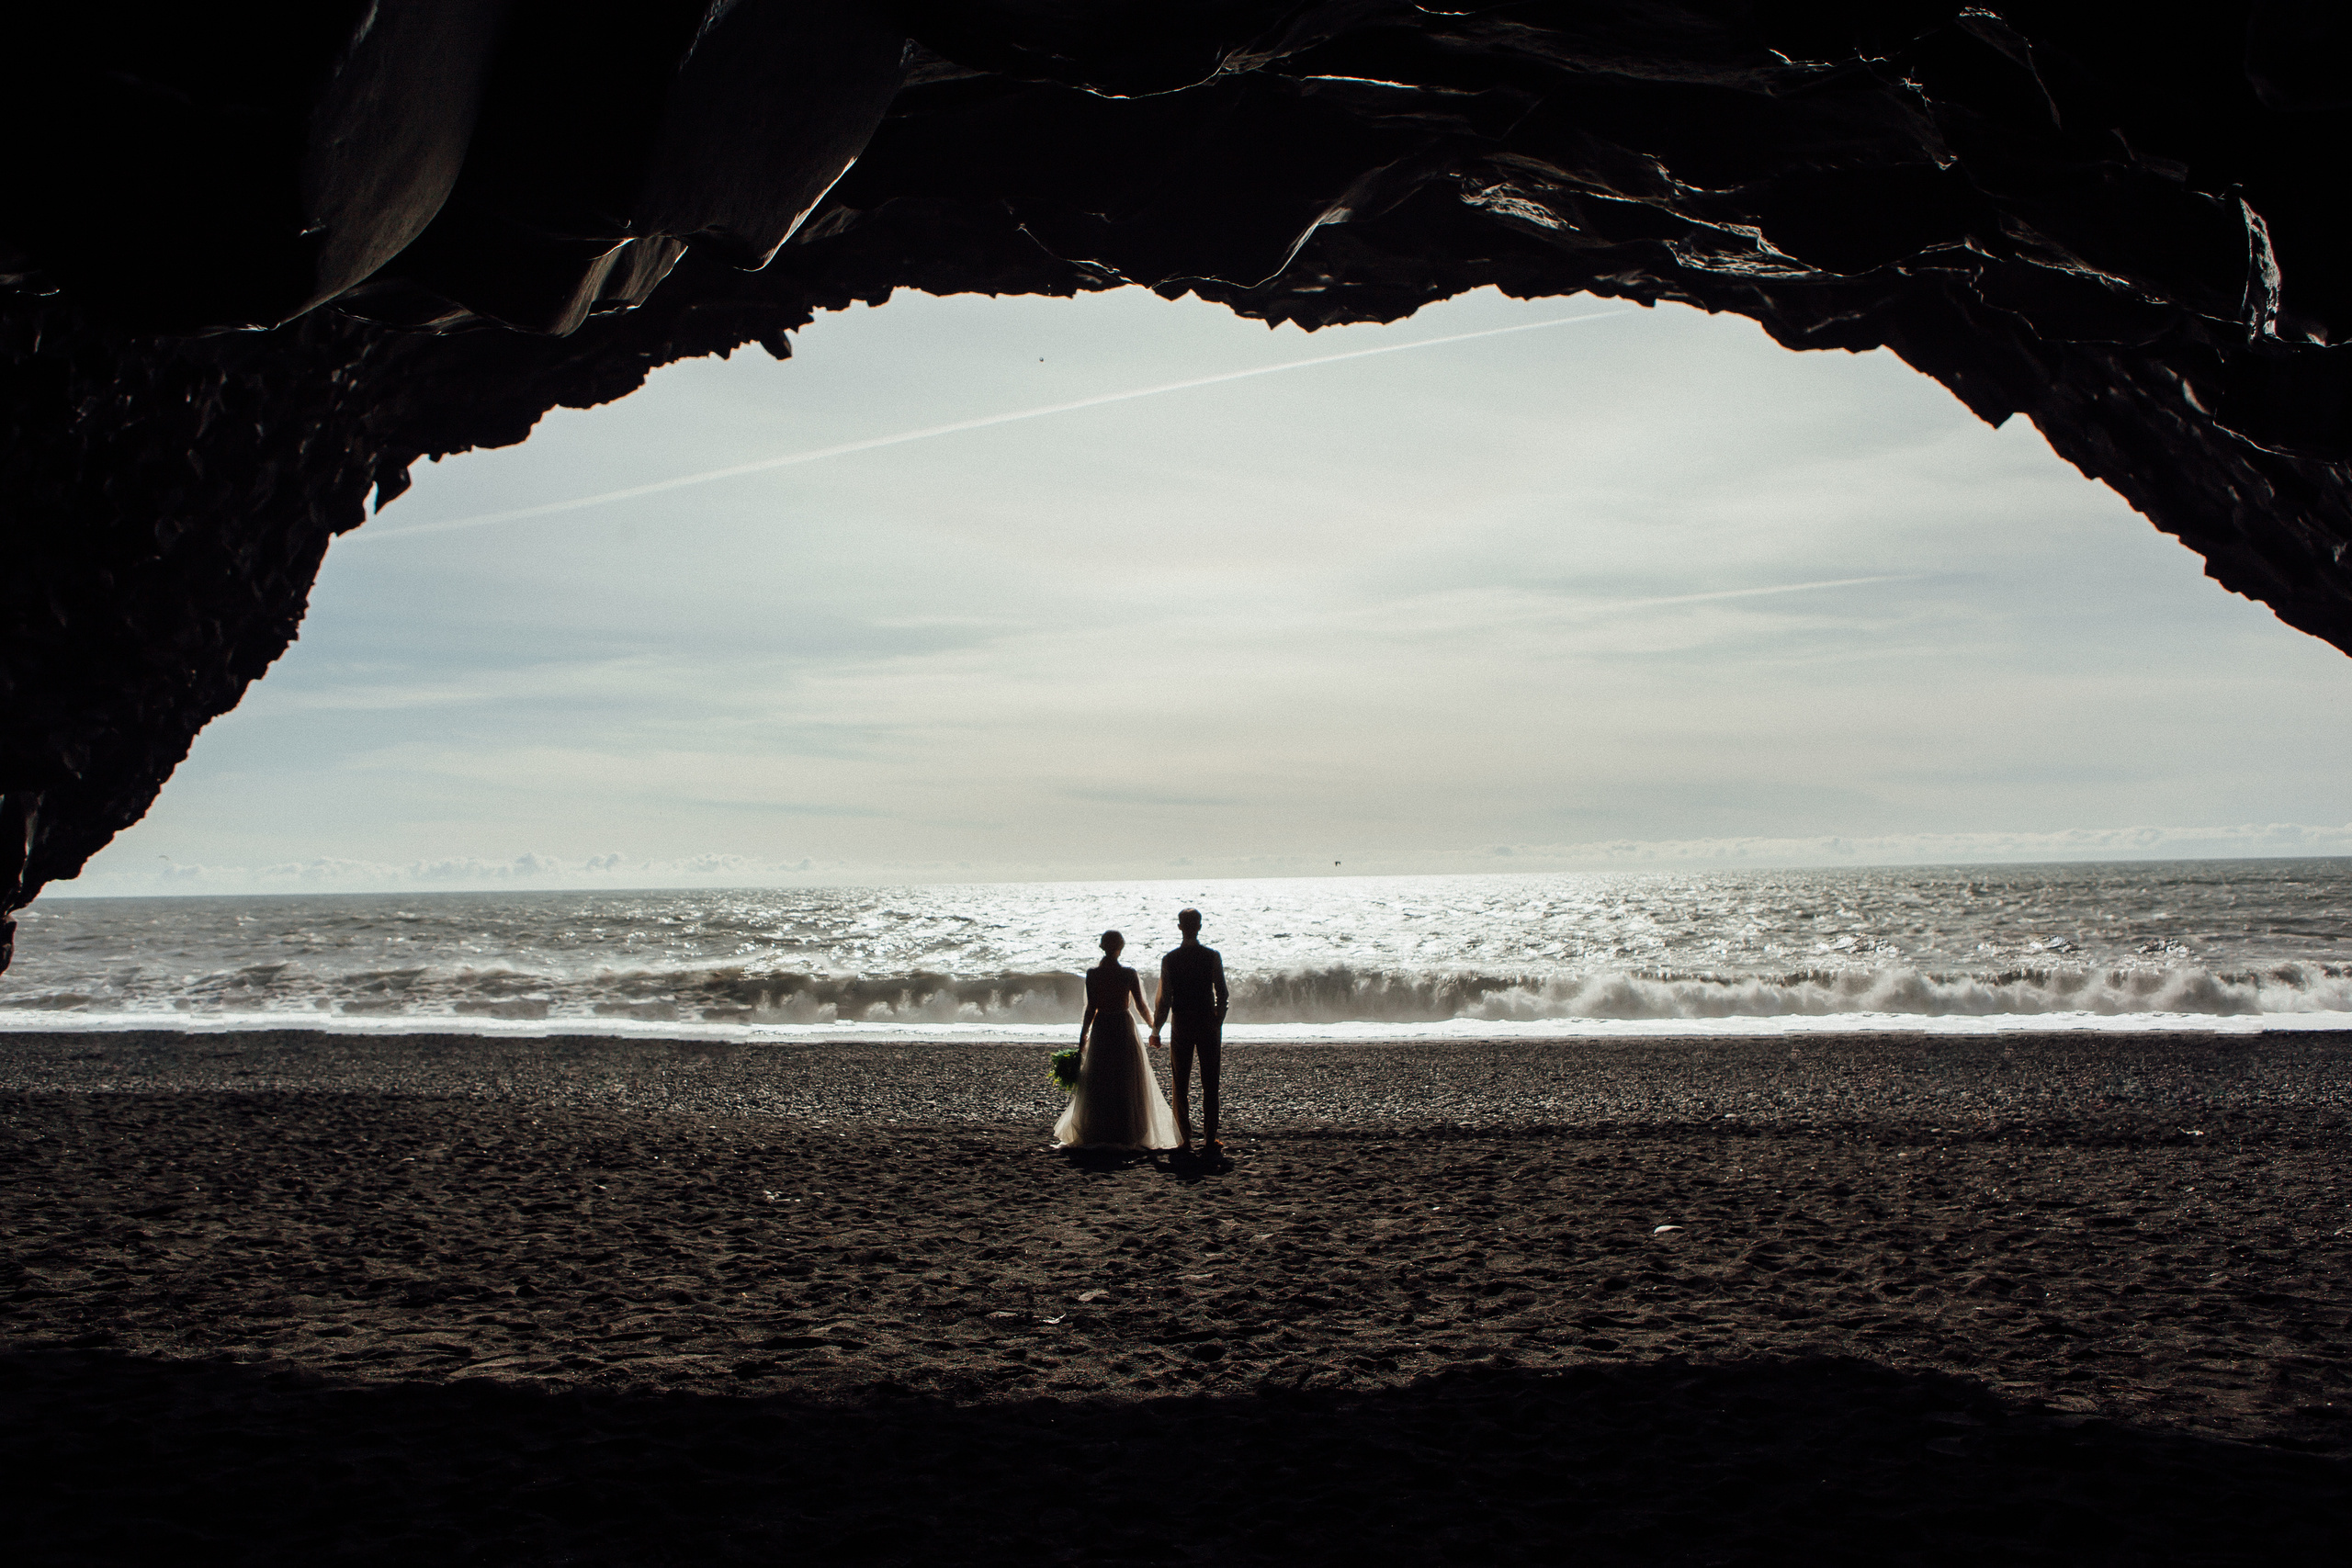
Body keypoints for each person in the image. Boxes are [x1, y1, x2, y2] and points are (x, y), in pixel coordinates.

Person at [1054, 930, 1182, 1151]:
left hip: (1102, 1026)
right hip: (1122, 1026)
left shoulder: (1093, 974)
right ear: (1120, 948)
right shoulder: (1128, 974)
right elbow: (1141, 1006)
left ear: (1102, 947)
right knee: (1124, 1077)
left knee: (1101, 1078)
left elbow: (1090, 1008)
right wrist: (1154, 1028)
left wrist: (1083, 1035)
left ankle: (1100, 1129)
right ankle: (1125, 1129)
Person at [1149, 908, 1229, 1153]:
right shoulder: (1212, 956)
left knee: (1180, 1082)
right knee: (1210, 1081)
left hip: (1182, 1022)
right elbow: (1222, 993)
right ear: (1200, 927)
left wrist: (1156, 1029)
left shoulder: (1170, 959)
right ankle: (1210, 1137)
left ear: (1180, 927)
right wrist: (1218, 1020)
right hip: (1206, 1021)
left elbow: (1165, 999)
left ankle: (1184, 1138)